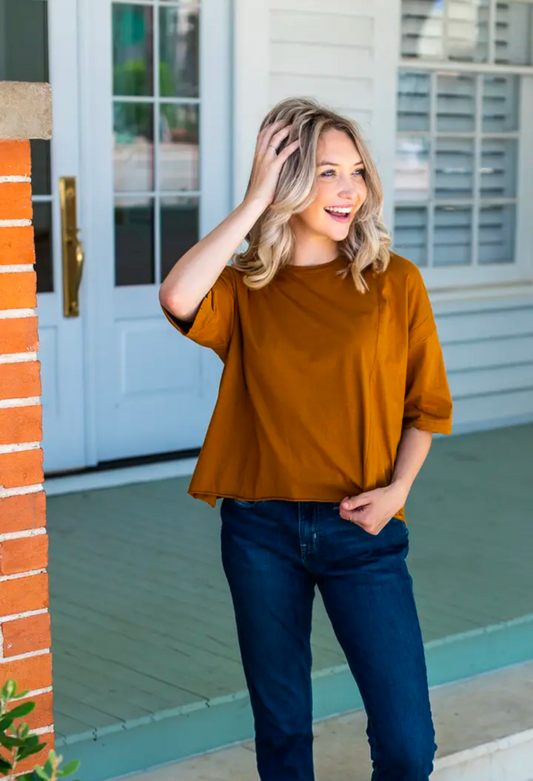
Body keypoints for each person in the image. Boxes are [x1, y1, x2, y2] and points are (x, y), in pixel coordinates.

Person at [159, 97, 453, 781]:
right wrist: (253, 198)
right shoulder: (244, 291)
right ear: (288, 182)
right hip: (260, 533)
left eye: (356, 171)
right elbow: (176, 296)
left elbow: (426, 408)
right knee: (284, 732)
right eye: (326, 172)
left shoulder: (394, 282)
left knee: (408, 746)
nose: (349, 188)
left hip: (364, 531)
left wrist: (398, 491)